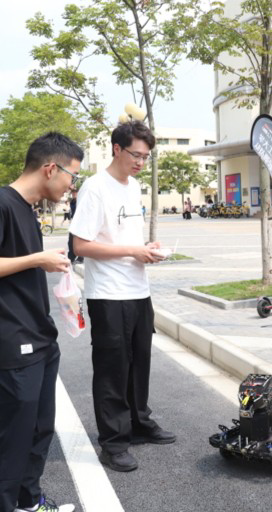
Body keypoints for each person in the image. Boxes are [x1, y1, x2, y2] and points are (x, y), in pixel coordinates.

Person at [69, 121, 176, 473]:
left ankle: (138, 422)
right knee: (112, 368)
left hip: (138, 290)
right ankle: (113, 442)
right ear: (117, 149)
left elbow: (121, 238)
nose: (141, 162)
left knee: (139, 362)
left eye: (146, 157)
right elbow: (80, 245)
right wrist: (132, 250)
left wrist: (146, 248)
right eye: (136, 155)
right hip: (107, 294)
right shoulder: (95, 188)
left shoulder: (134, 187)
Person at [0, 132, 82, 512]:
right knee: (12, 440)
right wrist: (38, 259)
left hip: (39, 336)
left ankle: (28, 502)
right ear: (51, 168)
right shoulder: (3, 203)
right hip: (14, 340)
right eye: (72, 176)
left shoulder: (27, 209)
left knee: (38, 429)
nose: (71, 186)